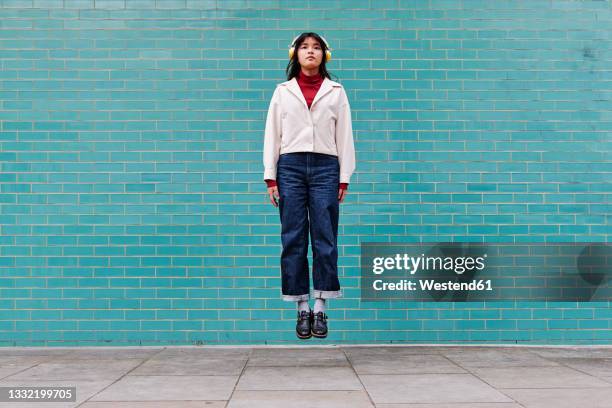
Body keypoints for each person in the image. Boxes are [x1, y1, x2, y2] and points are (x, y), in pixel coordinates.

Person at [262, 32, 356, 339]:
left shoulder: (337, 91)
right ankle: (301, 306)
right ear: (295, 54)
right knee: (293, 237)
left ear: (324, 55)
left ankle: (321, 305)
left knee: (325, 238)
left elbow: (345, 136)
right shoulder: (282, 92)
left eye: (316, 48)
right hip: (289, 167)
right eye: (305, 47)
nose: (310, 52)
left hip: (326, 167)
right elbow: (272, 134)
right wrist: (270, 176)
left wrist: (344, 176)